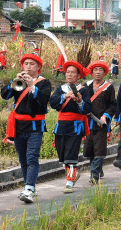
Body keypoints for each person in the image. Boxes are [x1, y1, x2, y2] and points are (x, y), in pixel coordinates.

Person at [1, 54, 51, 203]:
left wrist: (31, 86)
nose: (28, 67)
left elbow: (43, 100)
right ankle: (28, 187)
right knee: (23, 159)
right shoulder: (19, 82)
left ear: (38, 67)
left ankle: (29, 188)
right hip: (18, 126)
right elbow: (5, 95)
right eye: (26, 64)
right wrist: (14, 81)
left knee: (32, 157)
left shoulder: (44, 83)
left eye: (32, 64)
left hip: (35, 126)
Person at [49, 61, 92, 193]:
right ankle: (73, 174)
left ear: (78, 75)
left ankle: (69, 181)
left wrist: (79, 102)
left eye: (73, 72)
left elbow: (88, 108)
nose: (69, 74)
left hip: (76, 125)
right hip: (61, 125)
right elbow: (53, 103)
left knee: (71, 154)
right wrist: (65, 96)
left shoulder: (83, 90)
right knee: (62, 154)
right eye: (68, 72)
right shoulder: (60, 89)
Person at [84, 61, 116, 184]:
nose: (98, 72)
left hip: (101, 123)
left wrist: (105, 116)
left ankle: (95, 174)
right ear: (91, 72)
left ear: (104, 72)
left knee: (100, 148)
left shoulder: (109, 87)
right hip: (88, 123)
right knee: (89, 148)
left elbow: (113, 105)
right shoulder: (86, 86)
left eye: (100, 70)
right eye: (95, 70)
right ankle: (96, 169)